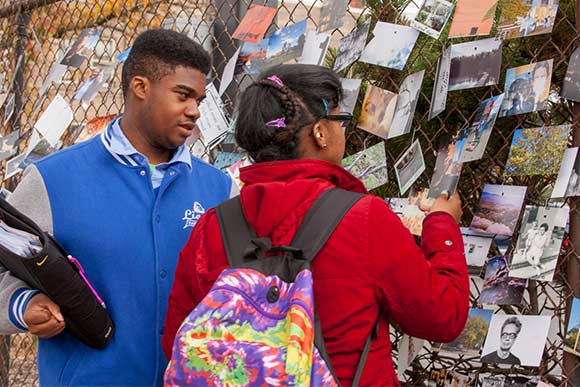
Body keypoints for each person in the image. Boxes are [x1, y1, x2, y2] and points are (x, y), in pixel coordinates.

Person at [162, 64, 469, 386]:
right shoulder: (363, 218)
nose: (344, 133)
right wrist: (442, 224)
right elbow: (443, 318)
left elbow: (178, 341)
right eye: (341, 121)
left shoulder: (212, 226)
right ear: (320, 132)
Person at [0, 29, 233, 386]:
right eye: (183, 95)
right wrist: (23, 304)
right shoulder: (52, 180)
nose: (194, 111)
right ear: (140, 87)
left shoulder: (220, 188)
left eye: (199, 100)